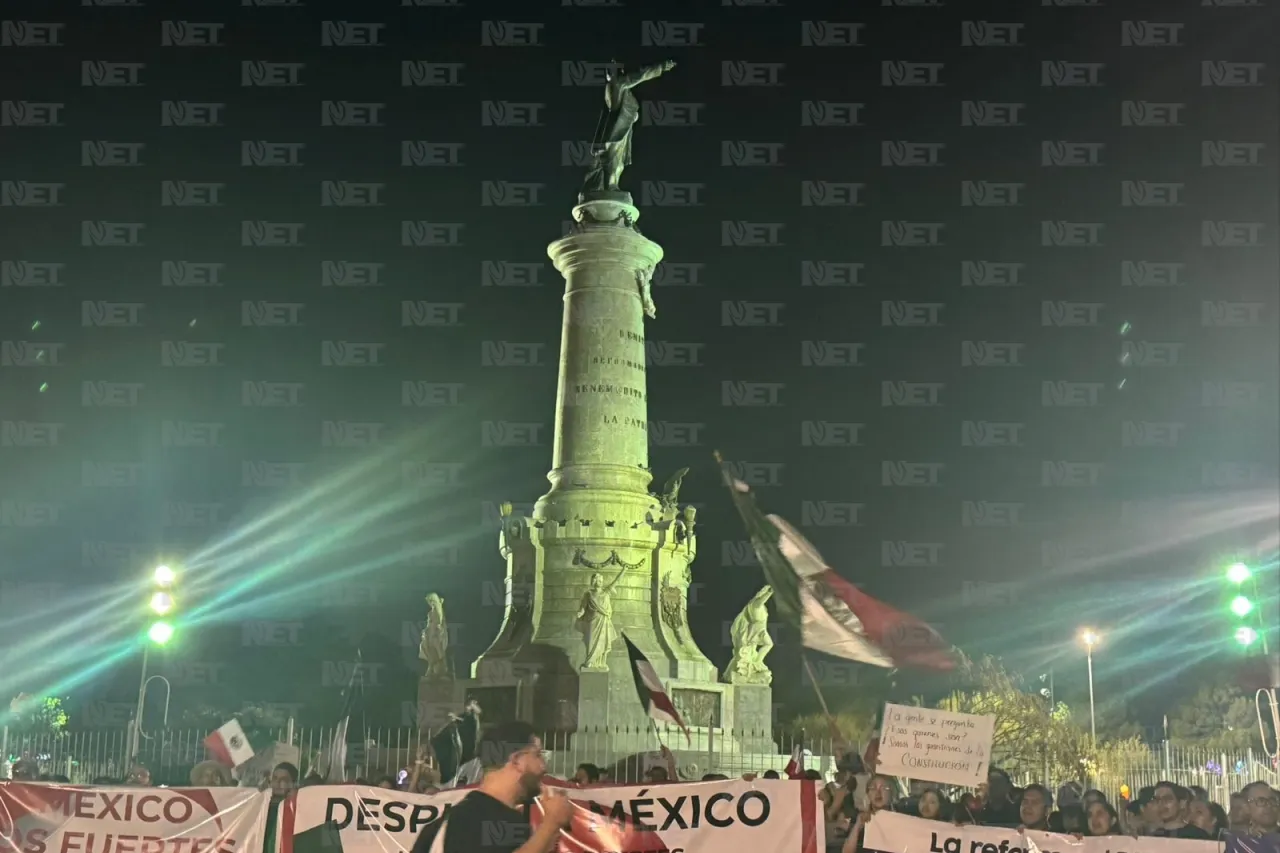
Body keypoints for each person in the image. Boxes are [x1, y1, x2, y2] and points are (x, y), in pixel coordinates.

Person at [409, 721, 572, 853]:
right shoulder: (471, 821)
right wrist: (551, 824)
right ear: (517, 760)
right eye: (538, 755)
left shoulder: (463, 817)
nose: (544, 767)